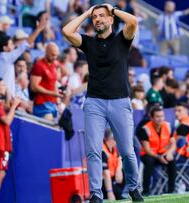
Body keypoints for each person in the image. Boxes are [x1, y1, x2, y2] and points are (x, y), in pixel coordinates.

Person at [62, 4, 143, 202]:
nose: (97, 19)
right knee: (92, 151)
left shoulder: (122, 39)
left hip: (120, 101)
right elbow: (66, 31)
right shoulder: (89, 42)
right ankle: (96, 195)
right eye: (95, 17)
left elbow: (132, 21)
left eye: (101, 16)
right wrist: (86, 14)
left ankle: (133, 187)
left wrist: (112, 9)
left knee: (126, 151)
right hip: (94, 103)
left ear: (111, 20)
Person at [0, 19, 47, 96]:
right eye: (11, 44)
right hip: (7, 98)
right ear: (5, 48)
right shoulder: (7, 57)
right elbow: (25, 44)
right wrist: (38, 29)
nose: (13, 46)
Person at [137, 105, 176, 195]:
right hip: (149, 154)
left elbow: (173, 144)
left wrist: (170, 153)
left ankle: (171, 190)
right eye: (157, 116)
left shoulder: (168, 126)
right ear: (151, 117)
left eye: (162, 116)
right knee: (150, 162)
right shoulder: (145, 129)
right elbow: (147, 149)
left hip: (163, 153)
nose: (160, 119)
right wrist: (158, 157)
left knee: (172, 161)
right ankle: (146, 190)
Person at [30, 42, 61, 121]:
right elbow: (34, 87)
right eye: (52, 55)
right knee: (47, 127)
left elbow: (54, 83)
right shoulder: (39, 65)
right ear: (46, 52)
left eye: (56, 55)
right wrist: (52, 93)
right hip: (41, 103)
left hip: (52, 103)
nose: (55, 57)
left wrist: (58, 100)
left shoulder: (54, 65)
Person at [102, 129, 124, 200]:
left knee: (126, 171)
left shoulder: (113, 148)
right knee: (119, 195)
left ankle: (128, 193)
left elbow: (119, 158)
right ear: (111, 139)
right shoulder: (102, 151)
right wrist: (110, 192)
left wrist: (119, 170)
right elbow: (105, 174)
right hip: (103, 182)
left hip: (112, 178)